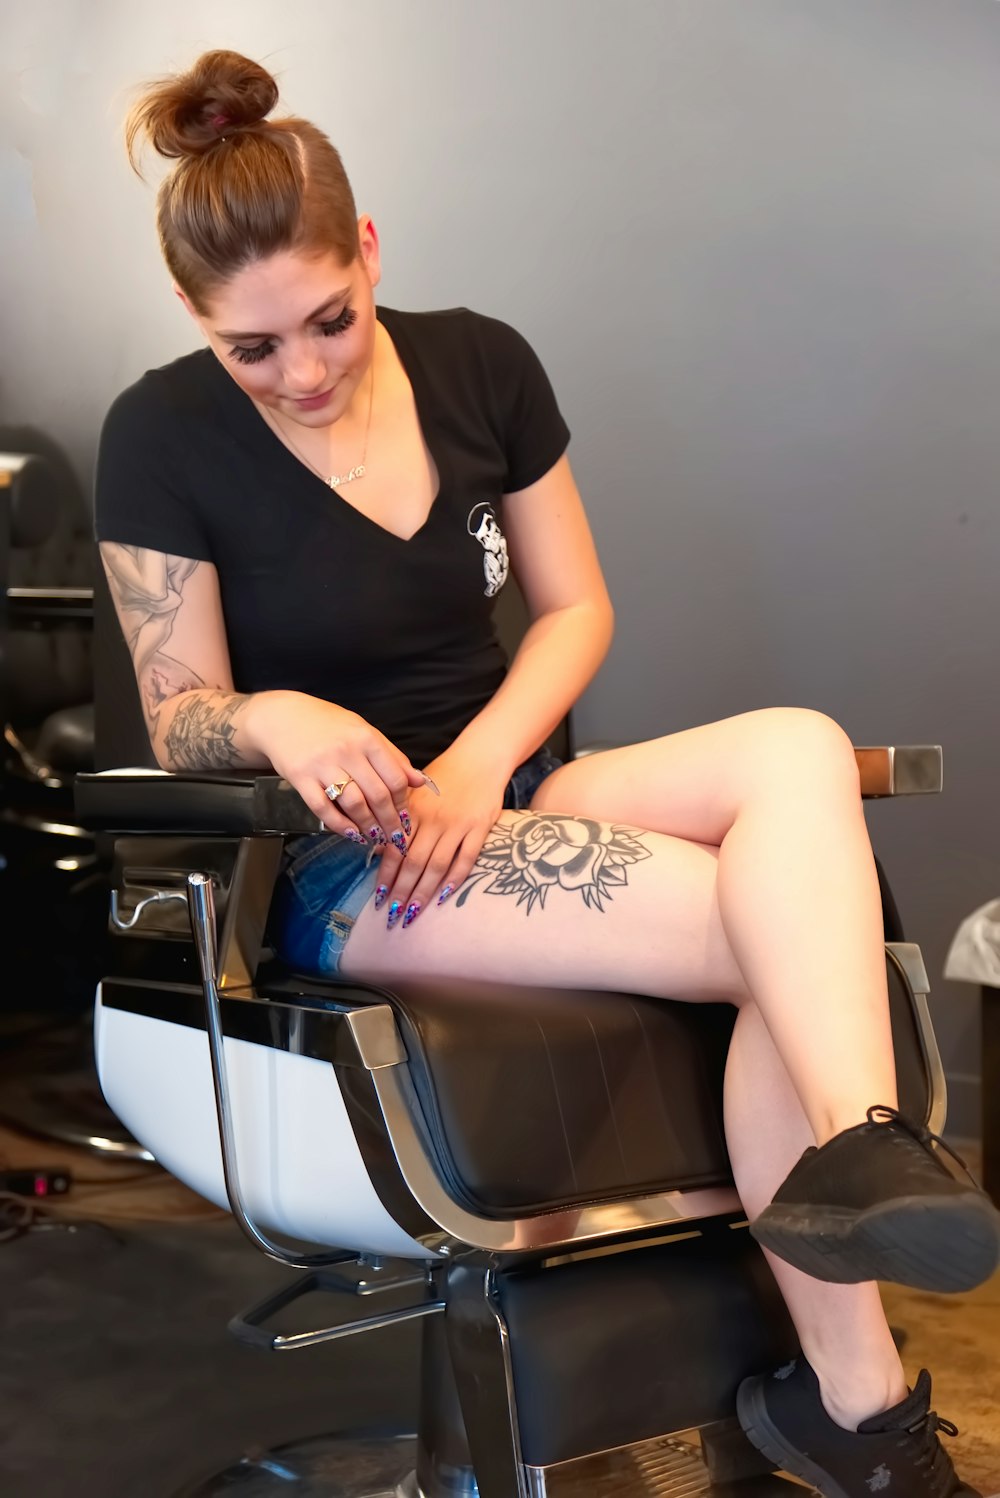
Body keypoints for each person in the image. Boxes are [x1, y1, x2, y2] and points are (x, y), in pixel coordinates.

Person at [95, 49, 997, 1498]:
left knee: (800, 750)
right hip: (360, 860)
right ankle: (862, 1400)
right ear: (200, 328)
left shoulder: (481, 363)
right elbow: (177, 710)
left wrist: (480, 762)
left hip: (500, 786)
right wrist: (271, 713)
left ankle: (859, 1150)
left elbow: (574, 606)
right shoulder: (161, 433)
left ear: (368, 248)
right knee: (781, 929)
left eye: (328, 318)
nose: (305, 371)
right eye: (251, 350)